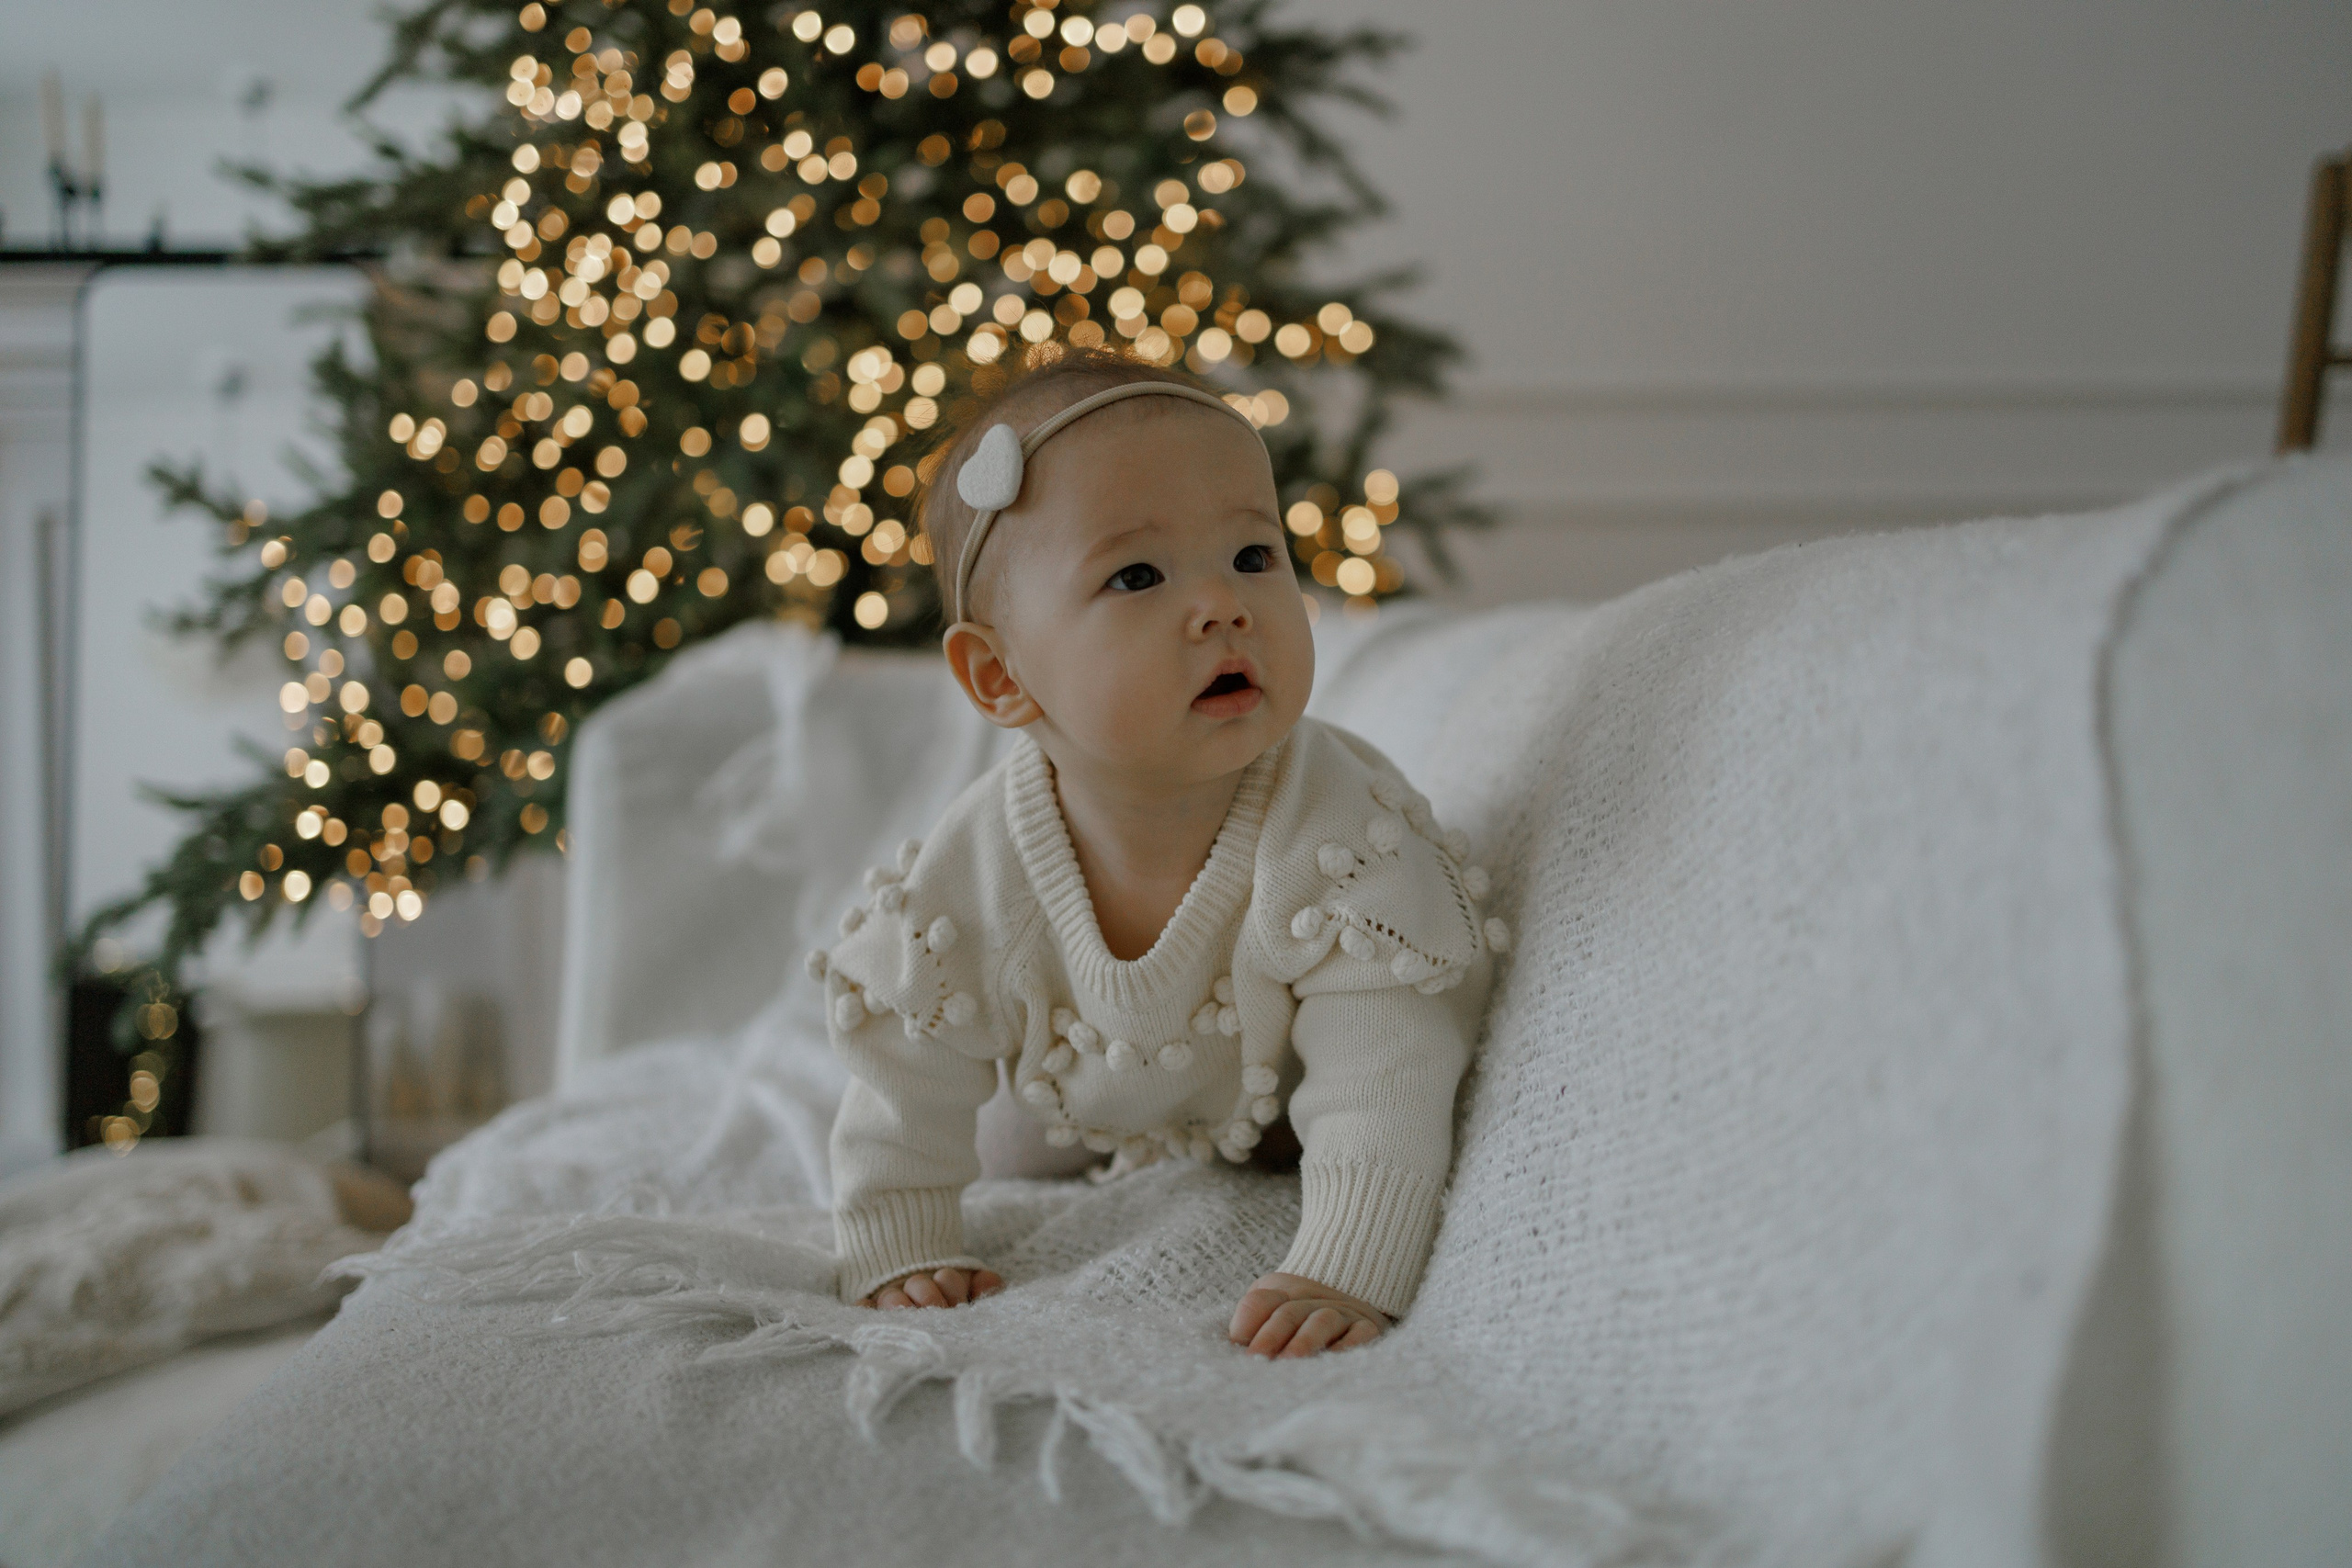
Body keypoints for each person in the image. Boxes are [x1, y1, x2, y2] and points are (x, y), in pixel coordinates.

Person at [809, 346, 1504, 1359]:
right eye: (1135, 574)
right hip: (1085, 1097)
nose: (1223, 605)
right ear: (1000, 675)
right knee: (998, 1125)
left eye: (1253, 557)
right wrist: (900, 1241)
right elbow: (902, 1061)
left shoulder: (1338, 835)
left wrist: (1345, 1265)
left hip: (1289, 1117)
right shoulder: (980, 865)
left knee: (1371, 1051)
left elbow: (1386, 1073)